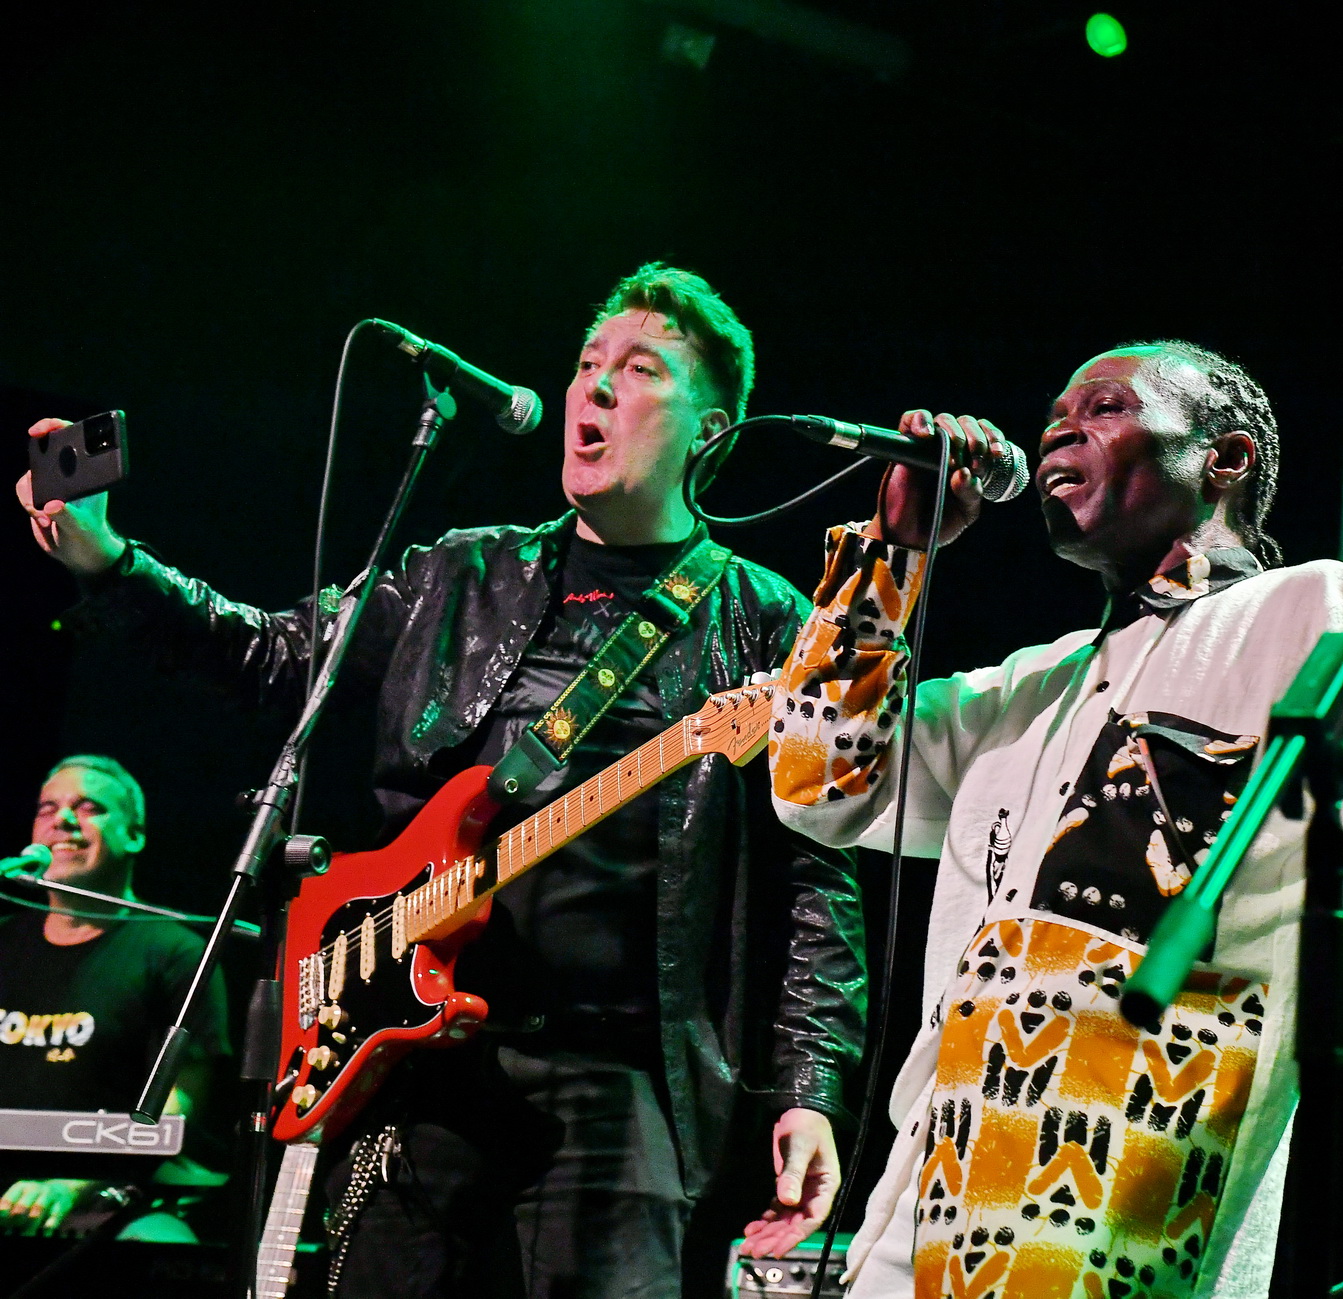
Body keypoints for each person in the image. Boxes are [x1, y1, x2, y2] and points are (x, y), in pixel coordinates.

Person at [15, 263, 868, 1296]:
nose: (596, 386)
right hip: (409, 1055)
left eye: (640, 370)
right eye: (587, 363)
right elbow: (271, 657)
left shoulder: (764, 620)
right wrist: (110, 561)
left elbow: (814, 873)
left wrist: (810, 1086)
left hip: (617, 1078)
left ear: (710, 431)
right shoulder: (457, 574)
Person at [766, 341, 1343, 1298]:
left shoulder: (1306, 609)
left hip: (1112, 1221)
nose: (1057, 433)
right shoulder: (1022, 689)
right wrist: (892, 552)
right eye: (1052, 418)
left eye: (1104, 408)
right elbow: (817, 785)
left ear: (1226, 458)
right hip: (918, 1213)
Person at [0, 754, 230, 1242]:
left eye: (89, 808)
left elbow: (178, 1105)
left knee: (161, 1242)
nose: (63, 819)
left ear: (135, 835)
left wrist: (71, 1185)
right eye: (47, 808)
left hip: (110, 1201)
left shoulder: (175, 953)